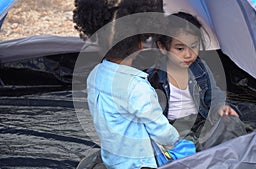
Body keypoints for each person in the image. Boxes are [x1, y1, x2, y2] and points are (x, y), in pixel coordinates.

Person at [73, 0, 181, 168]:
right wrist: (177, 140)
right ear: (140, 43)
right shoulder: (137, 87)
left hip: (112, 159)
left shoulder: (94, 75)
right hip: (140, 164)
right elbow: (159, 130)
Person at [146, 12, 242, 150]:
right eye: (180, 48)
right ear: (163, 48)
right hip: (173, 129)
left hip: (201, 122)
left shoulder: (200, 68)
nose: (188, 54)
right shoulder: (154, 77)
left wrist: (220, 107)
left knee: (231, 124)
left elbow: (214, 95)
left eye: (193, 46)